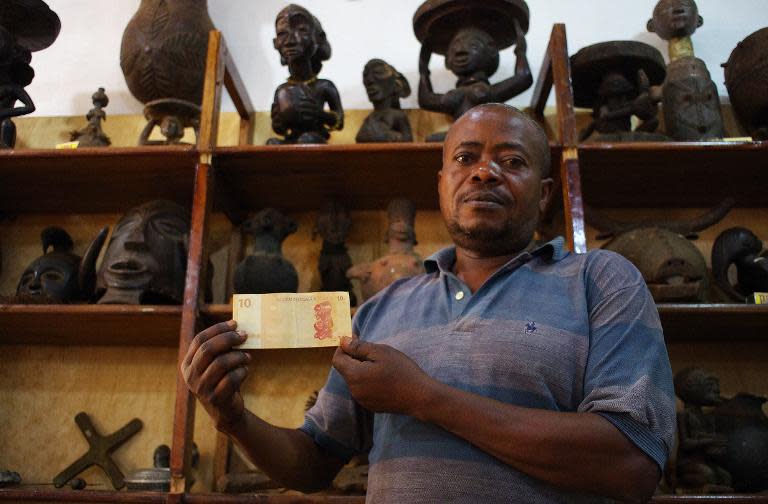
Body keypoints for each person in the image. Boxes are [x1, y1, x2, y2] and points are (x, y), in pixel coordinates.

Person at [182, 103, 675, 503]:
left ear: (545, 195)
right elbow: (314, 462)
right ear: (440, 185)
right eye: (465, 159)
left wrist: (422, 396)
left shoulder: (601, 281)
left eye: (513, 161)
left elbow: (631, 465)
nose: (486, 173)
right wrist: (234, 419)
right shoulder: (380, 308)